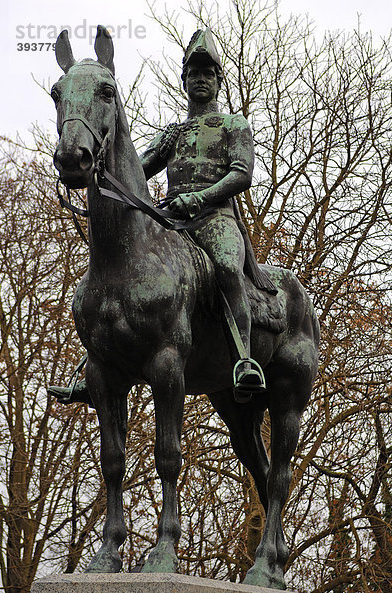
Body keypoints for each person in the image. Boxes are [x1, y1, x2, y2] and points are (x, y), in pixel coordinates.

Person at [49, 28, 272, 405]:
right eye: (193, 74)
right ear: (184, 81)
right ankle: (97, 358)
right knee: (127, 268)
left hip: (215, 218)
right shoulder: (175, 132)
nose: (200, 79)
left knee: (227, 268)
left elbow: (241, 173)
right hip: (172, 219)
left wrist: (200, 198)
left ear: (219, 81)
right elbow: (135, 172)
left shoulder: (233, 125)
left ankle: (244, 360)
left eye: (208, 73)